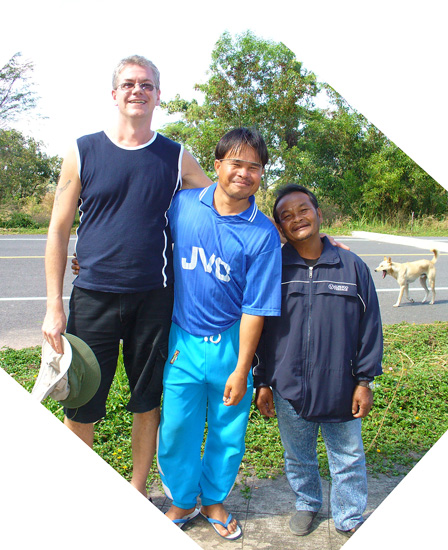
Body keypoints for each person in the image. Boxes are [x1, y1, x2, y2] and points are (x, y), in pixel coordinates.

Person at [41, 55, 211, 498]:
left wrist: (294, 234)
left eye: (147, 85)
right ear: (114, 94)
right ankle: (81, 492)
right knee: (81, 400)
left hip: (154, 300)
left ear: (158, 95)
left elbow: (222, 206)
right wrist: (54, 305)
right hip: (92, 298)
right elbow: (59, 229)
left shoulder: (175, 156)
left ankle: (136, 490)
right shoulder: (83, 150)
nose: (138, 90)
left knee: (147, 399)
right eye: (129, 84)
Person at [157, 128, 282, 540]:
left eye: (254, 166)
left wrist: (241, 368)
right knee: (177, 427)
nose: (243, 173)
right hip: (183, 341)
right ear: (217, 165)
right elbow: (143, 237)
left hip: (231, 345)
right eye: (236, 163)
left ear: (261, 173)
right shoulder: (182, 205)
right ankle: (182, 498)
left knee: (229, 431)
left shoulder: (262, 233)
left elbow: (255, 308)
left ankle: (212, 499)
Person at [254, 184, 383, 538]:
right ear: (279, 226)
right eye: (287, 216)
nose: (297, 218)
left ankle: (350, 516)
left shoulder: (351, 265)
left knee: (348, 457)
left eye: (303, 210)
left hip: (341, 384)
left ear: (318, 213)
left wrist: (364, 381)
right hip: (287, 385)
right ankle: (307, 503)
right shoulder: (273, 268)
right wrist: (262, 381)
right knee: (298, 456)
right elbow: (260, 329)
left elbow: (370, 325)